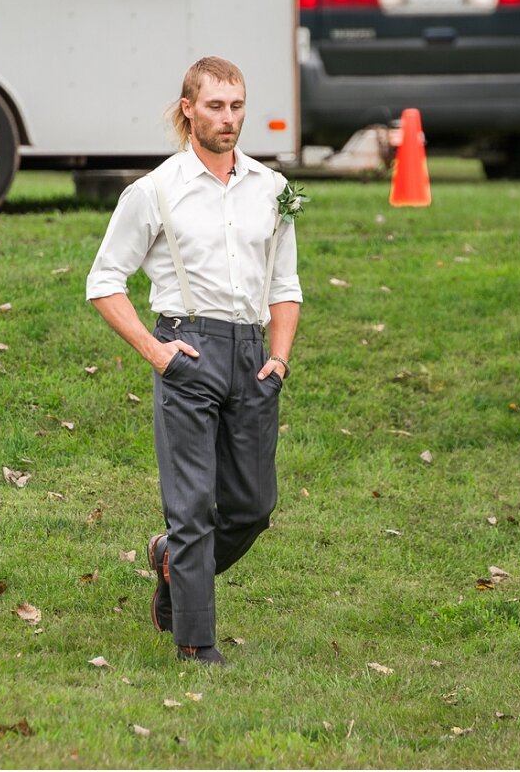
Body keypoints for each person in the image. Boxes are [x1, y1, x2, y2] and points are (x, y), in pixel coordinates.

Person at [86, 56, 303, 667]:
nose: (228, 118)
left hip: (253, 356)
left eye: (236, 106)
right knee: (190, 506)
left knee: (252, 508)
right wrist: (156, 353)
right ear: (189, 109)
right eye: (215, 106)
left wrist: (279, 360)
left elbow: (285, 286)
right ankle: (195, 642)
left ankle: (170, 563)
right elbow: (104, 280)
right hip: (186, 350)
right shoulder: (155, 190)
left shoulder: (272, 190)